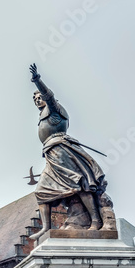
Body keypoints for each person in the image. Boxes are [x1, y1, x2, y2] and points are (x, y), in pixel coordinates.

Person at [28, 64, 108, 240]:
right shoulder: (42, 114)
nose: (37, 100)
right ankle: (46, 228)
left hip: (62, 150)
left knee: (78, 184)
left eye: (39, 97)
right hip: (50, 154)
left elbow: (49, 96)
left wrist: (37, 80)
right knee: (41, 191)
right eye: (34, 99)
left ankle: (95, 220)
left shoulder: (54, 108)